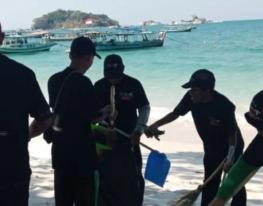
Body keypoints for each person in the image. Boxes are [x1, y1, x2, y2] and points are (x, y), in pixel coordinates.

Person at [146, 69, 247, 206]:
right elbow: (176, 113)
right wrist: (155, 125)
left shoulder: (224, 105)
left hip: (232, 147)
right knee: (210, 183)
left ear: (207, 90)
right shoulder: (191, 98)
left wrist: (230, 158)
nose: (191, 92)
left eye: (195, 89)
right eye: (191, 89)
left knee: (235, 183)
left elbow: (232, 133)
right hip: (211, 147)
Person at [0, 22, 52, 206]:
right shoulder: (23, 74)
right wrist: (26, 135)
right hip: (13, 164)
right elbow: (45, 119)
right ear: (2, 38)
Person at [46, 36, 102, 206]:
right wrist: (105, 113)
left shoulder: (53, 80)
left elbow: (59, 110)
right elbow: (93, 117)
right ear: (89, 58)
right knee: (85, 200)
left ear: (70, 55)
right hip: (83, 153)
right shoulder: (85, 83)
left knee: (63, 200)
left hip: (61, 151)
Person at [94, 54, 150, 206]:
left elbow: (144, 108)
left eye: (116, 76)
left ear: (123, 70)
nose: (113, 79)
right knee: (104, 179)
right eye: (109, 76)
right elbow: (90, 115)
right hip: (103, 138)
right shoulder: (98, 86)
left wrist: (139, 129)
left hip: (130, 137)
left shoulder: (133, 84)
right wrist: (101, 114)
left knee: (133, 178)